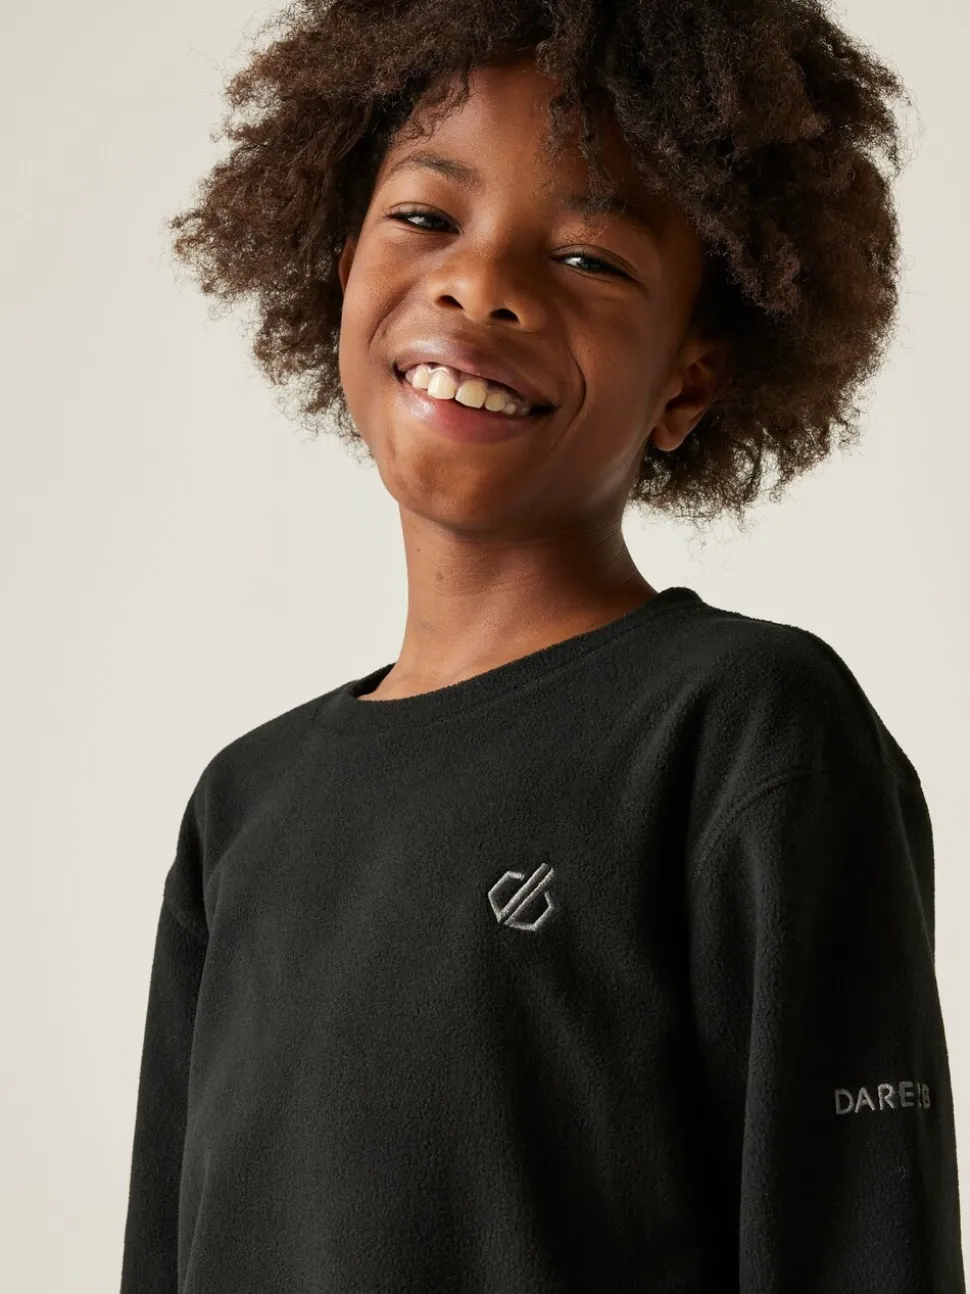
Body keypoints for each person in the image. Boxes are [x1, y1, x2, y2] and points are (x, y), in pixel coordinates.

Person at [120, 1, 966, 1290]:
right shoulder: (240, 810)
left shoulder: (746, 734)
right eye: (425, 216)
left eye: (587, 257)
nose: (480, 283)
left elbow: (860, 1247)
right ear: (340, 267)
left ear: (688, 381)